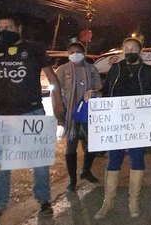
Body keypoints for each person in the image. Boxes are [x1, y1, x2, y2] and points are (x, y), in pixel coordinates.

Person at [0, 13, 65, 222]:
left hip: (32, 112)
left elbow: (52, 78)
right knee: (1, 162)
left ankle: (43, 199)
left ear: (19, 28)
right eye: (0, 28)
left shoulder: (35, 50)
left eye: (8, 26)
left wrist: (57, 103)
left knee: (39, 160)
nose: (4, 31)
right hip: (1, 116)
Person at [95, 38, 151, 219]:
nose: (130, 51)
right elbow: (106, 91)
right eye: (126, 48)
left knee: (137, 160)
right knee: (113, 159)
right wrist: (94, 93)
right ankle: (108, 202)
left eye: (133, 48)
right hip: (117, 122)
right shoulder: (115, 68)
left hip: (138, 124)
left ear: (140, 51)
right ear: (123, 50)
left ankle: (134, 202)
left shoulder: (147, 71)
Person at [55, 42, 102, 192]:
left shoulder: (92, 69)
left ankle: (86, 171)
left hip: (89, 113)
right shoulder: (62, 70)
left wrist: (93, 92)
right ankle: (72, 180)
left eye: (78, 51)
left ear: (84, 52)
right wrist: (59, 113)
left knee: (94, 144)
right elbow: (55, 92)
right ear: (68, 53)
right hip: (70, 114)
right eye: (72, 51)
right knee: (71, 147)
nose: (75, 54)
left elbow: (100, 89)